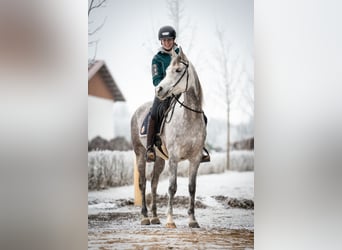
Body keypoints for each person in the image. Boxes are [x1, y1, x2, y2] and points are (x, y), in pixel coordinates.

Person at [145, 25, 210, 163]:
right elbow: (156, 80)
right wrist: (169, 86)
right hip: (164, 92)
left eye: (169, 40)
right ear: (161, 42)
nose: (167, 42)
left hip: (181, 92)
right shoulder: (157, 59)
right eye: (164, 40)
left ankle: (201, 147)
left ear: (174, 40)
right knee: (154, 113)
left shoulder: (180, 55)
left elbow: (187, 73)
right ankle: (150, 148)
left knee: (202, 116)